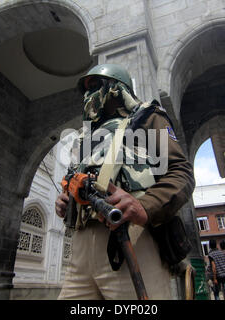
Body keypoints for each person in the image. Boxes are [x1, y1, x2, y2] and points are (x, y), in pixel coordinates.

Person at [55, 64, 195, 299]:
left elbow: (181, 172)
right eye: (86, 89)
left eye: (96, 86)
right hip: (79, 251)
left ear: (117, 90)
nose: (90, 95)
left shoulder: (148, 117)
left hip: (130, 239)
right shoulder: (86, 136)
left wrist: (145, 206)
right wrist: (67, 201)